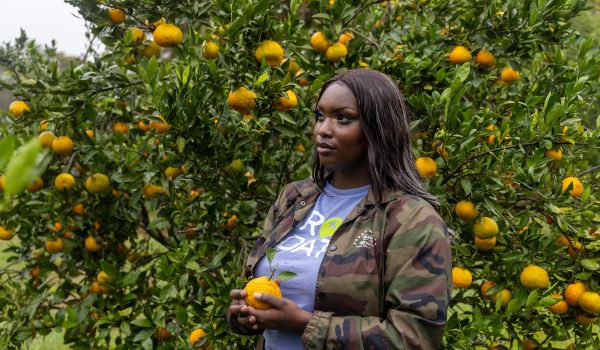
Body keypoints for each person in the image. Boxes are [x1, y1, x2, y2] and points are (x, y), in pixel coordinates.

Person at [227, 69, 452, 349]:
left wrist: (304, 323)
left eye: (343, 118)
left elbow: (417, 336)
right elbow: (256, 285)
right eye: (320, 116)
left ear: (377, 129)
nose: (323, 129)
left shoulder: (411, 219)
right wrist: (244, 315)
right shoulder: (294, 198)